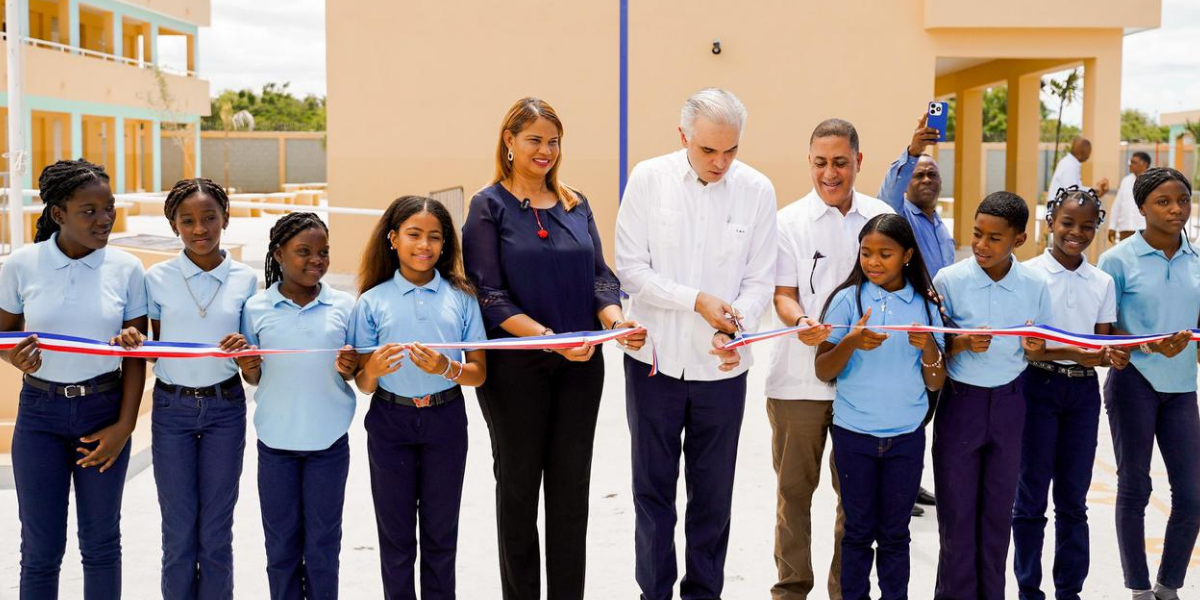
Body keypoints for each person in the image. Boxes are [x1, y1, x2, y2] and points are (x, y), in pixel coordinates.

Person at [462, 97, 645, 600]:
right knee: (518, 492)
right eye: (534, 139)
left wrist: (615, 321)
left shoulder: (575, 203)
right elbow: (489, 295)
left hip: (582, 368)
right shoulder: (488, 206)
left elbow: (600, 279)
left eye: (553, 141)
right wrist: (550, 340)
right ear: (509, 141)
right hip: (516, 372)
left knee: (570, 494)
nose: (545, 150)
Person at [614, 88, 776, 600]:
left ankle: (704, 593)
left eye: (731, 150)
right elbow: (631, 270)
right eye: (709, 151)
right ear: (683, 136)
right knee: (652, 492)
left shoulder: (758, 190)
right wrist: (696, 301)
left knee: (712, 495)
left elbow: (760, 280)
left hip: (723, 372)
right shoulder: (647, 179)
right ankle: (654, 592)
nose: (721, 162)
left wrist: (737, 326)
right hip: (654, 364)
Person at [0, 159, 148, 599]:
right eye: (89, 210)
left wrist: (125, 427)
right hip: (40, 416)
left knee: (101, 545)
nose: (104, 219)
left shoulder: (126, 268)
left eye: (109, 208)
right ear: (58, 213)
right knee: (40, 548)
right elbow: (4, 334)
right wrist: (14, 357)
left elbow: (137, 356)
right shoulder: (21, 265)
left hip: (103, 410)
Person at [766, 117, 892, 600]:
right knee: (793, 497)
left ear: (859, 161)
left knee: (856, 502)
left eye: (840, 162)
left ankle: (846, 591)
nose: (830, 173)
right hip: (797, 383)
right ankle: (792, 589)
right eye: (821, 163)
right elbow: (783, 294)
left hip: (864, 386)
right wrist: (800, 322)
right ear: (810, 163)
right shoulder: (787, 222)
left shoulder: (882, 218)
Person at [352, 195, 488, 600]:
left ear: (445, 245)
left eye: (434, 237)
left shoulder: (462, 297)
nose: (424, 245)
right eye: (413, 234)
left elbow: (478, 373)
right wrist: (372, 369)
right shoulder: (372, 301)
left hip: (445, 422)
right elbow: (363, 382)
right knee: (395, 541)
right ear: (393, 238)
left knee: (440, 536)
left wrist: (445, 368)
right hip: (390, 423)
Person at [813, 214, 947, 600]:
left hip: (905, 438)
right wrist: (850, 342)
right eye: (866, 252)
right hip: (854, 436)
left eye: (884, 254)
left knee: (894, 533)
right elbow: (823, 370)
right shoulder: (846, 300)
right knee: (856, 532)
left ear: (906, 255)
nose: (873, 262)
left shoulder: (925, 305)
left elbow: (936, 381)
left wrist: (929, 349)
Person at [142, 178, 259, 599]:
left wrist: (245, 351)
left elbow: (252, 367)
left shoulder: (246, 279)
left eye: (209, 218)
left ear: (225, 218)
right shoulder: (156, 278)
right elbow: (151, 350)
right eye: (187, 220)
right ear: (174, 225)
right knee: (178, 533)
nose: (199, 229)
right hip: (171, 410)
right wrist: (131, 341)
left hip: (225, 409)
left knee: (215, 532)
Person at [931, 191, 1051, 600]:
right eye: (977, 234)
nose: (981, 244)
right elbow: (931, 347)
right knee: (957, 513)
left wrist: (1037, 349)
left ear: (1018, 239)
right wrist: (961, 342)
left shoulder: (1035, 285)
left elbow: (1041, 342)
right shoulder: (949, 280)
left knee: (998, 513)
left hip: (1011, 403)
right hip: (961, 403)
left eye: (993, 238)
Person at [1013, 187, 1129, 600]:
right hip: (1036, 388)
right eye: (1067, 223)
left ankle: (1069, 591)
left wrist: (1108, 357)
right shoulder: (1026, 274)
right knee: (1029, 500)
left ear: (1097, 229)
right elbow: (1032, 348)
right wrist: (1086, 353)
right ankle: (1029, 590)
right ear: (1050, 222)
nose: (1075, 233)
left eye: (1086, 226)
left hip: (1081, 397)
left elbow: (1102, 348)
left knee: (1073, 500)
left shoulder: (1101, 282)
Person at [240, 212, 359, 600]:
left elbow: (353, 369)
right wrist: (250, 367)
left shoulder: (343, 305)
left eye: (323, 252)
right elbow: (254, 377)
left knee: (324, 547)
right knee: (281, 548)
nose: (316, 260)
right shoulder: (256, 308)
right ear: (278, 254)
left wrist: (350, 366)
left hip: (328, 446)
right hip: (276, 447)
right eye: (303, 251)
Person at [1097, 168, 1200, 600]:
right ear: (1141, 208)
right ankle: (1139, 589)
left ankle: (1168, 586)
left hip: (1182, 389)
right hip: (1133, 383)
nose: (1176, 209)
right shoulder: (1117, 261)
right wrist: (1148, 345)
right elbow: (1100, 332)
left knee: (1192, 495)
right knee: (1136, 488)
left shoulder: (1197, 260)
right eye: (1163, 201)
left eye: (1183, 200)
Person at [877, 111, 957, 515]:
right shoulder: (900, 217)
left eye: (932, 175)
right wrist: (914, 151)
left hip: (938, 334)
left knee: (925, 414)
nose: (926, 180)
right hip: (910, 331)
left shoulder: (941, 224)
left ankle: (909, 483)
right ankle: (895, 490)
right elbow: (887, 193)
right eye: (918, 174)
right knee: (908, 413)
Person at [1107, 152, 1150, 244]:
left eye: (1134, 162)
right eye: (1130, 162)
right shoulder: (1125, 181)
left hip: (1144, 230)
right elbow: (1117, 205)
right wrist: (1112, 227)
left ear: (1144, 164)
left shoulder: (1152, 181)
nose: (1130, 165)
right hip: (1125, 229)